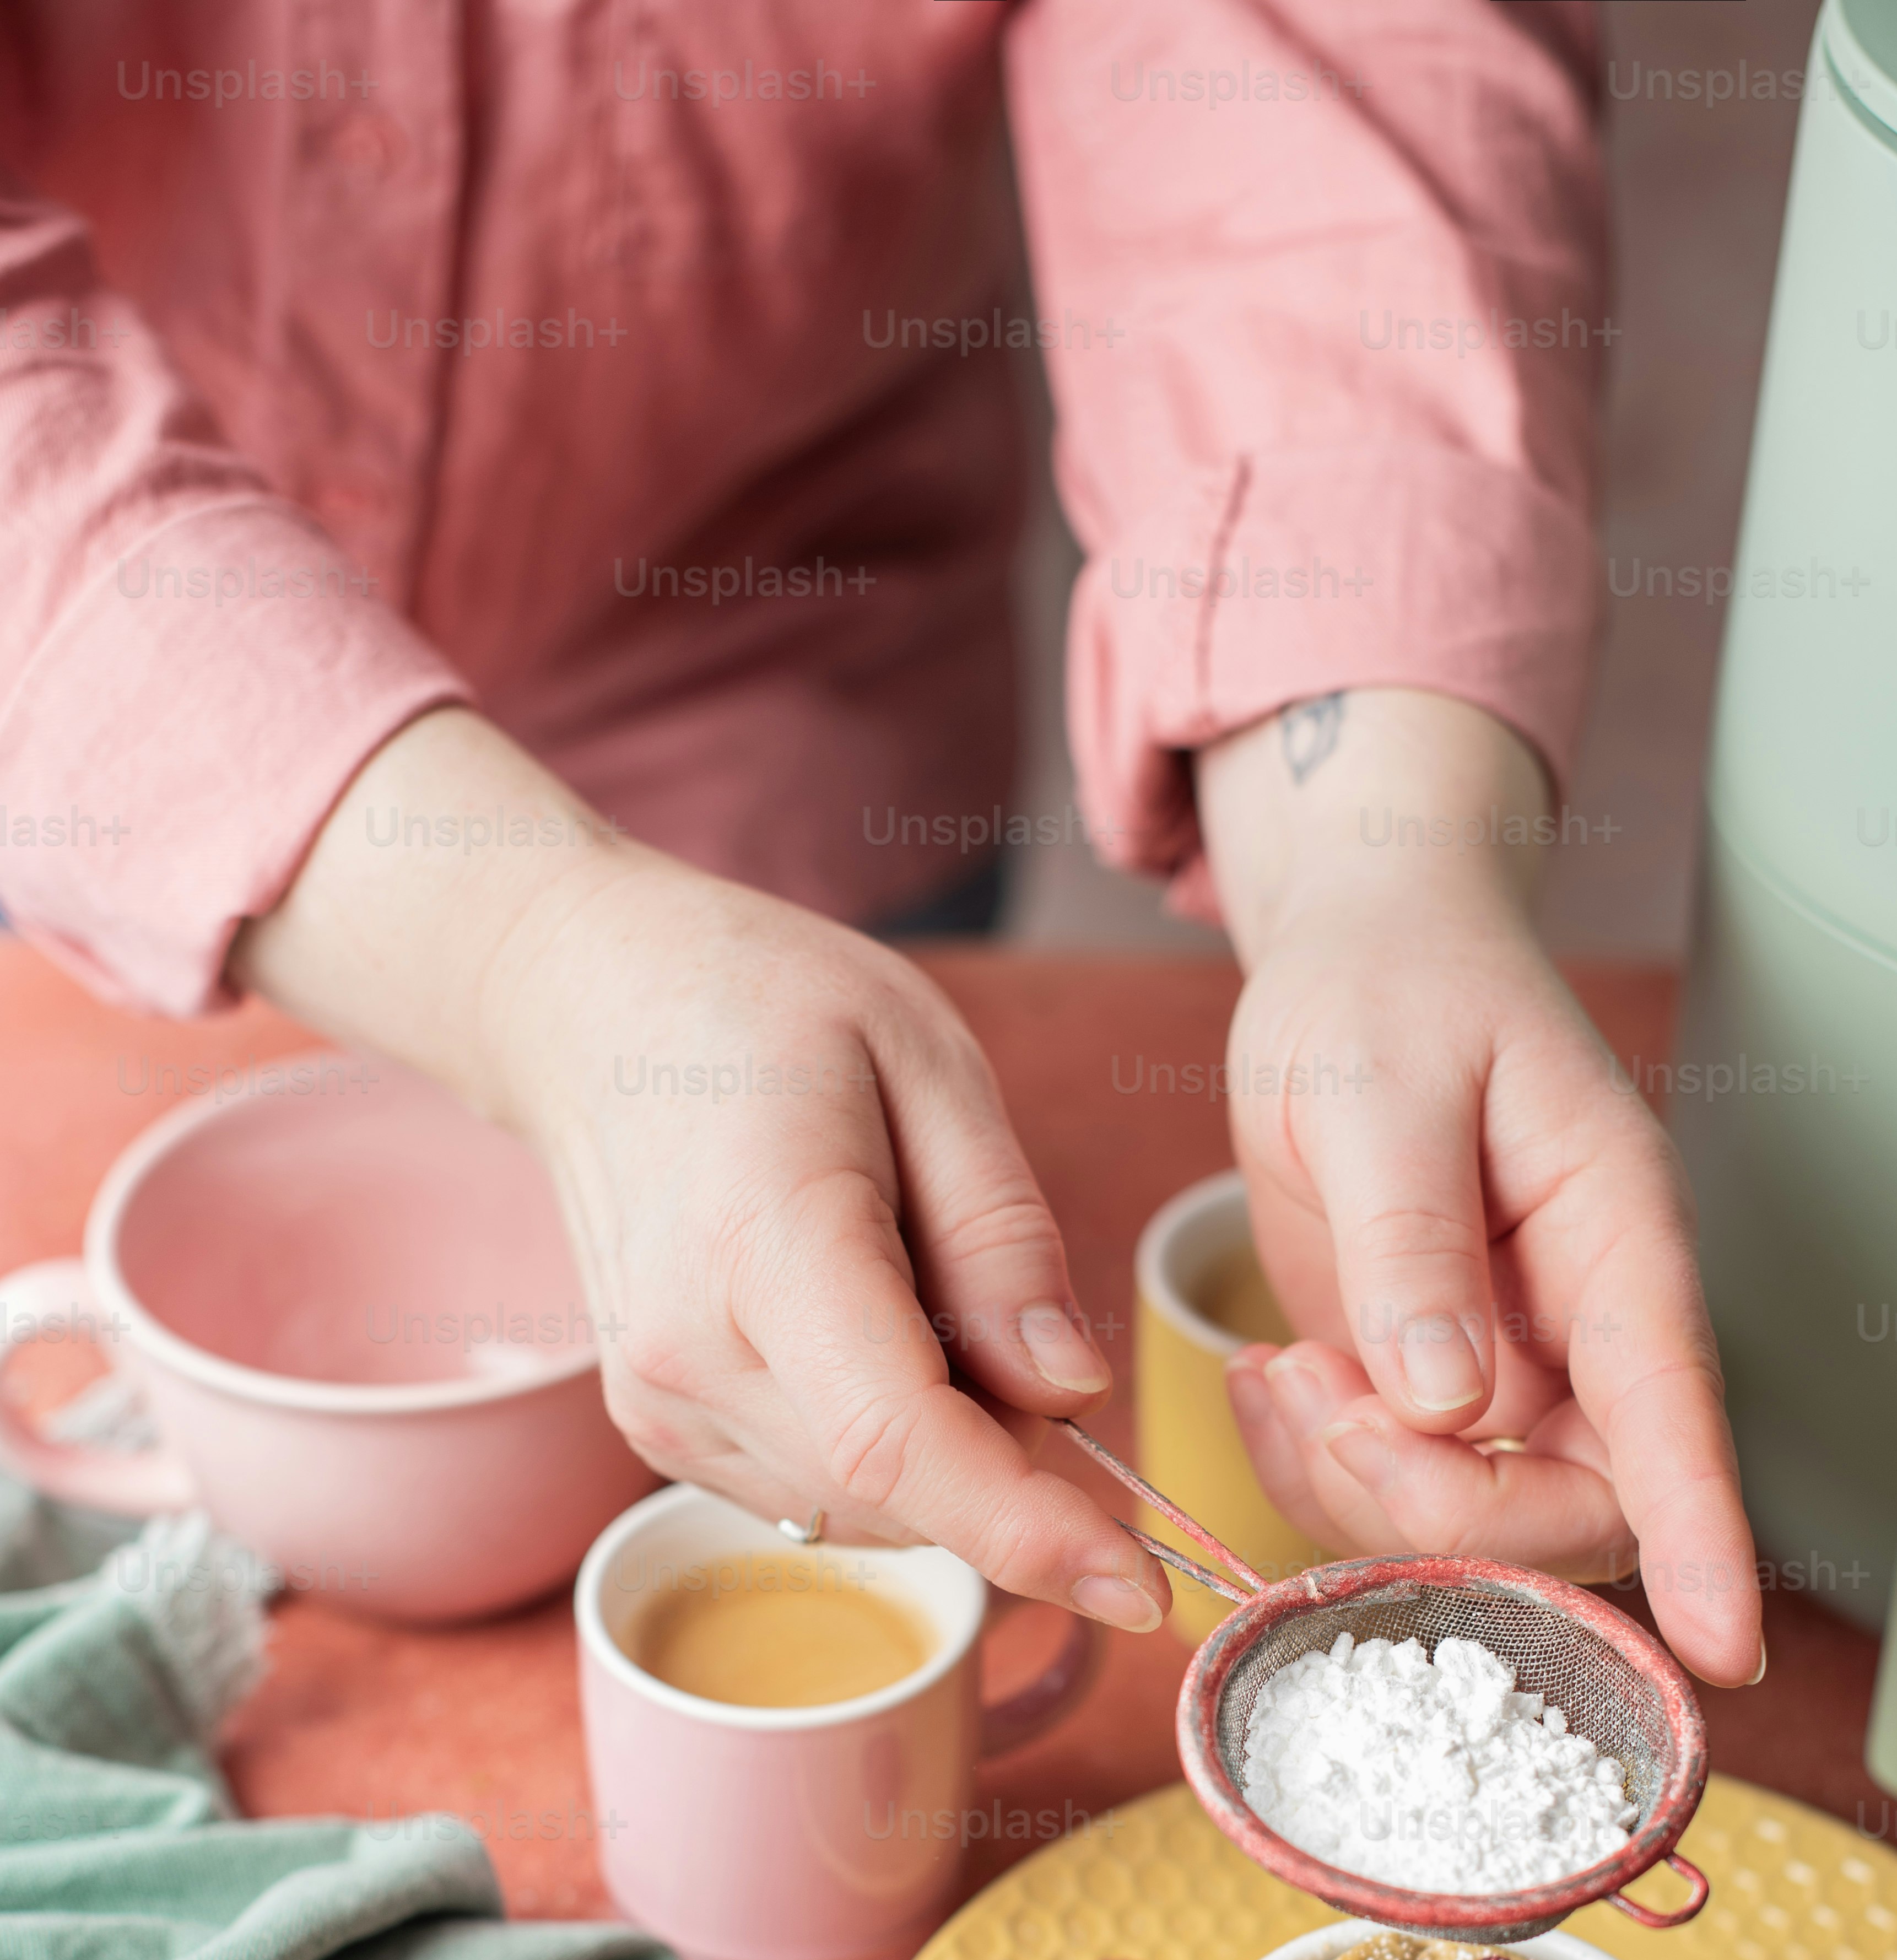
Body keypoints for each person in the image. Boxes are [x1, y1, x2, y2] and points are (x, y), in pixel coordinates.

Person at [0, 1, 1760, 1684]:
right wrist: (525, 951)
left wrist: (1385, 870)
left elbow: (1305, 69)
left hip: (785, 694)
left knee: (847, 1337)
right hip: (77, 768)